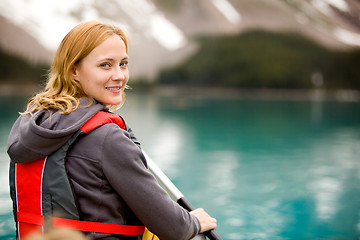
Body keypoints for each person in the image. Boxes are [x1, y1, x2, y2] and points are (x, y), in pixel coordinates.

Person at [7, 21, 217, 240]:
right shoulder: (108, 137)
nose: (119, 76)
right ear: (74, 71)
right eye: (105, 65)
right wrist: (193, 221)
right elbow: (174, 228)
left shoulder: (31, 125)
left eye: (123, 64)